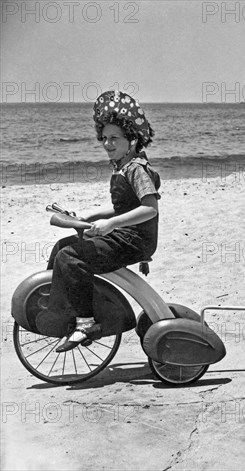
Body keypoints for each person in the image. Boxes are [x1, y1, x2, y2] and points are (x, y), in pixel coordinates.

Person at [45, 90, 161, 352]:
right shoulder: (122, 167)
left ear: (131, 140)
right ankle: (58, 304)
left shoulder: (136, 169)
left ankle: (86, 323)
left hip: (133, 241)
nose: (107, 144)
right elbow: (124, 206)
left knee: (70, 257)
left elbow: (149, 209)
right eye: (104, 138)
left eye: (114, 139)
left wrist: (112, 224)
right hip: (125, 236)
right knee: (62, 246)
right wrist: (93, 215)